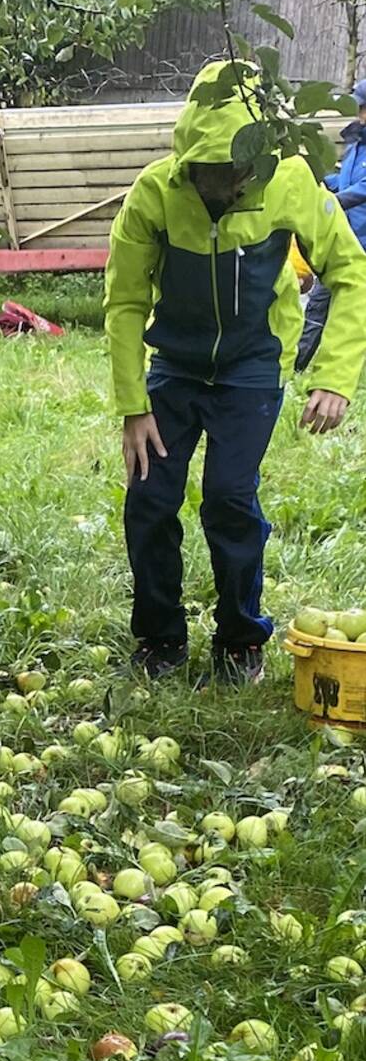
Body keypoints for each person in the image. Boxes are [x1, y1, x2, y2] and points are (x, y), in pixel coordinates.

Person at [105, 60, 366, 684]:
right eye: (214, 172)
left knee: (228, 497)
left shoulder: (290, 181)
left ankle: (242, 640)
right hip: (175, 366)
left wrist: (334, 376)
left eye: (238, 172)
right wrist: (133, 405)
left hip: (252, 365)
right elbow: (124, 301)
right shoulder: (155, 192)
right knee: (149, 499)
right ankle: (161, 639)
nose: (227, 186)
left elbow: (350, 271)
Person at [296, 80, 366, 371]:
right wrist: (316, 178)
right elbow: (345, 180)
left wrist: (331, 203)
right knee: (319, 302)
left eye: (360, 106)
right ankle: (297, 365)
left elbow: (362, 188)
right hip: (348, 238)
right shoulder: (356, 144)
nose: (357, 112)